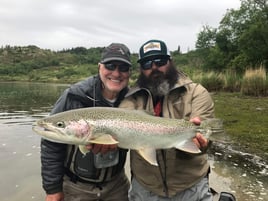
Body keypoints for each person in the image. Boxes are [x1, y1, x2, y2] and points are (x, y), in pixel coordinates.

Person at [119, 39, 215, 201]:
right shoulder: (131, 100)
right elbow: (122, 131)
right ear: (141, 69)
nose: (154, 67)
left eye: (160, 61)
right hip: (145, 189)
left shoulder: (196, 93)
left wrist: (203, 142)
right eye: (147, 64)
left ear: (170, 62)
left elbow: (206, 136)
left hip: (191, 187)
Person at [40, 43, 132, 201]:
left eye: (123, 68)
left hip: (117, 186)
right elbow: (51, 144)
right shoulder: (74, 95)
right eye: (110, 65)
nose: (116, 73)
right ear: (99, 67)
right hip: (76, 188)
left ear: (129, 72)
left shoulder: (134, 99)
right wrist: (52, 189)